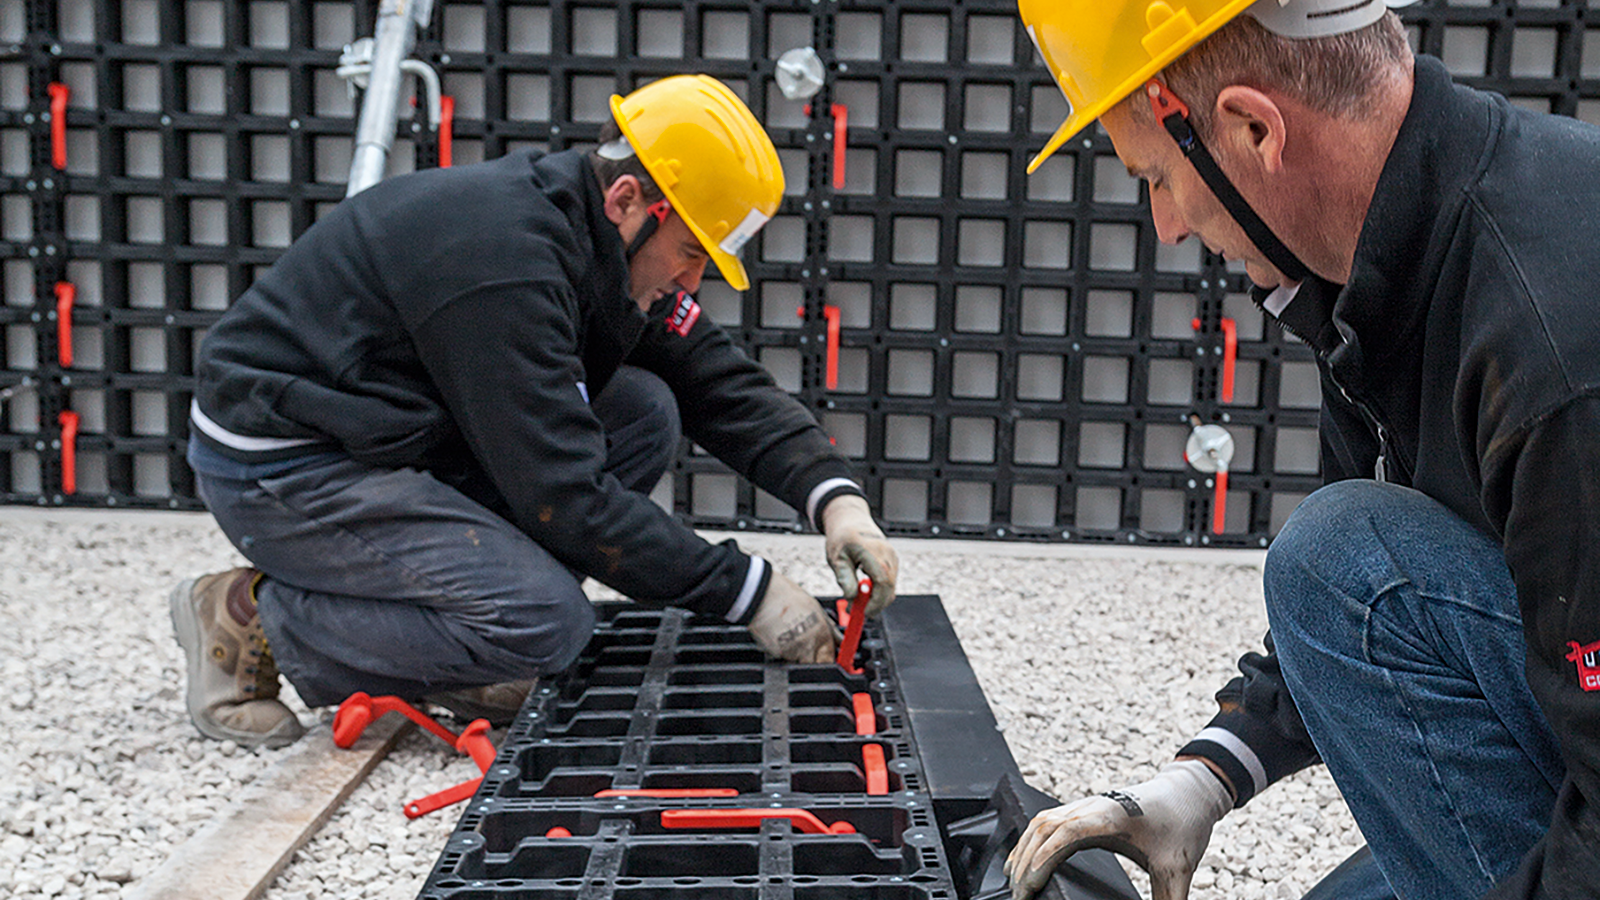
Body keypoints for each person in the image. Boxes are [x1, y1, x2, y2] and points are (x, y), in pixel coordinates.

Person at [1003, 1, 1600, 899]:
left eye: (1157, 176)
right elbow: (1395, 607)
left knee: (1333, 554)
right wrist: (1204, 778)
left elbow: (1361, 584)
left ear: (1251, 128)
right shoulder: (1385, 257)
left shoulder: (1548, 343)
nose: (1163, 224)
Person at [170, 74, 899, 750]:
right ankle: (254, 616)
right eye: (689, 251)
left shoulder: (591, 238)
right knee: (547, 622)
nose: (692, 276)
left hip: (388, 429)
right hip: (287, 464)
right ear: (628, 200)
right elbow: (564, 497)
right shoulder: (505, 266)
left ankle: (478, 620)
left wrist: (835, 500)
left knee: (643, 410)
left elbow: (715, 381)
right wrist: (752, 593)